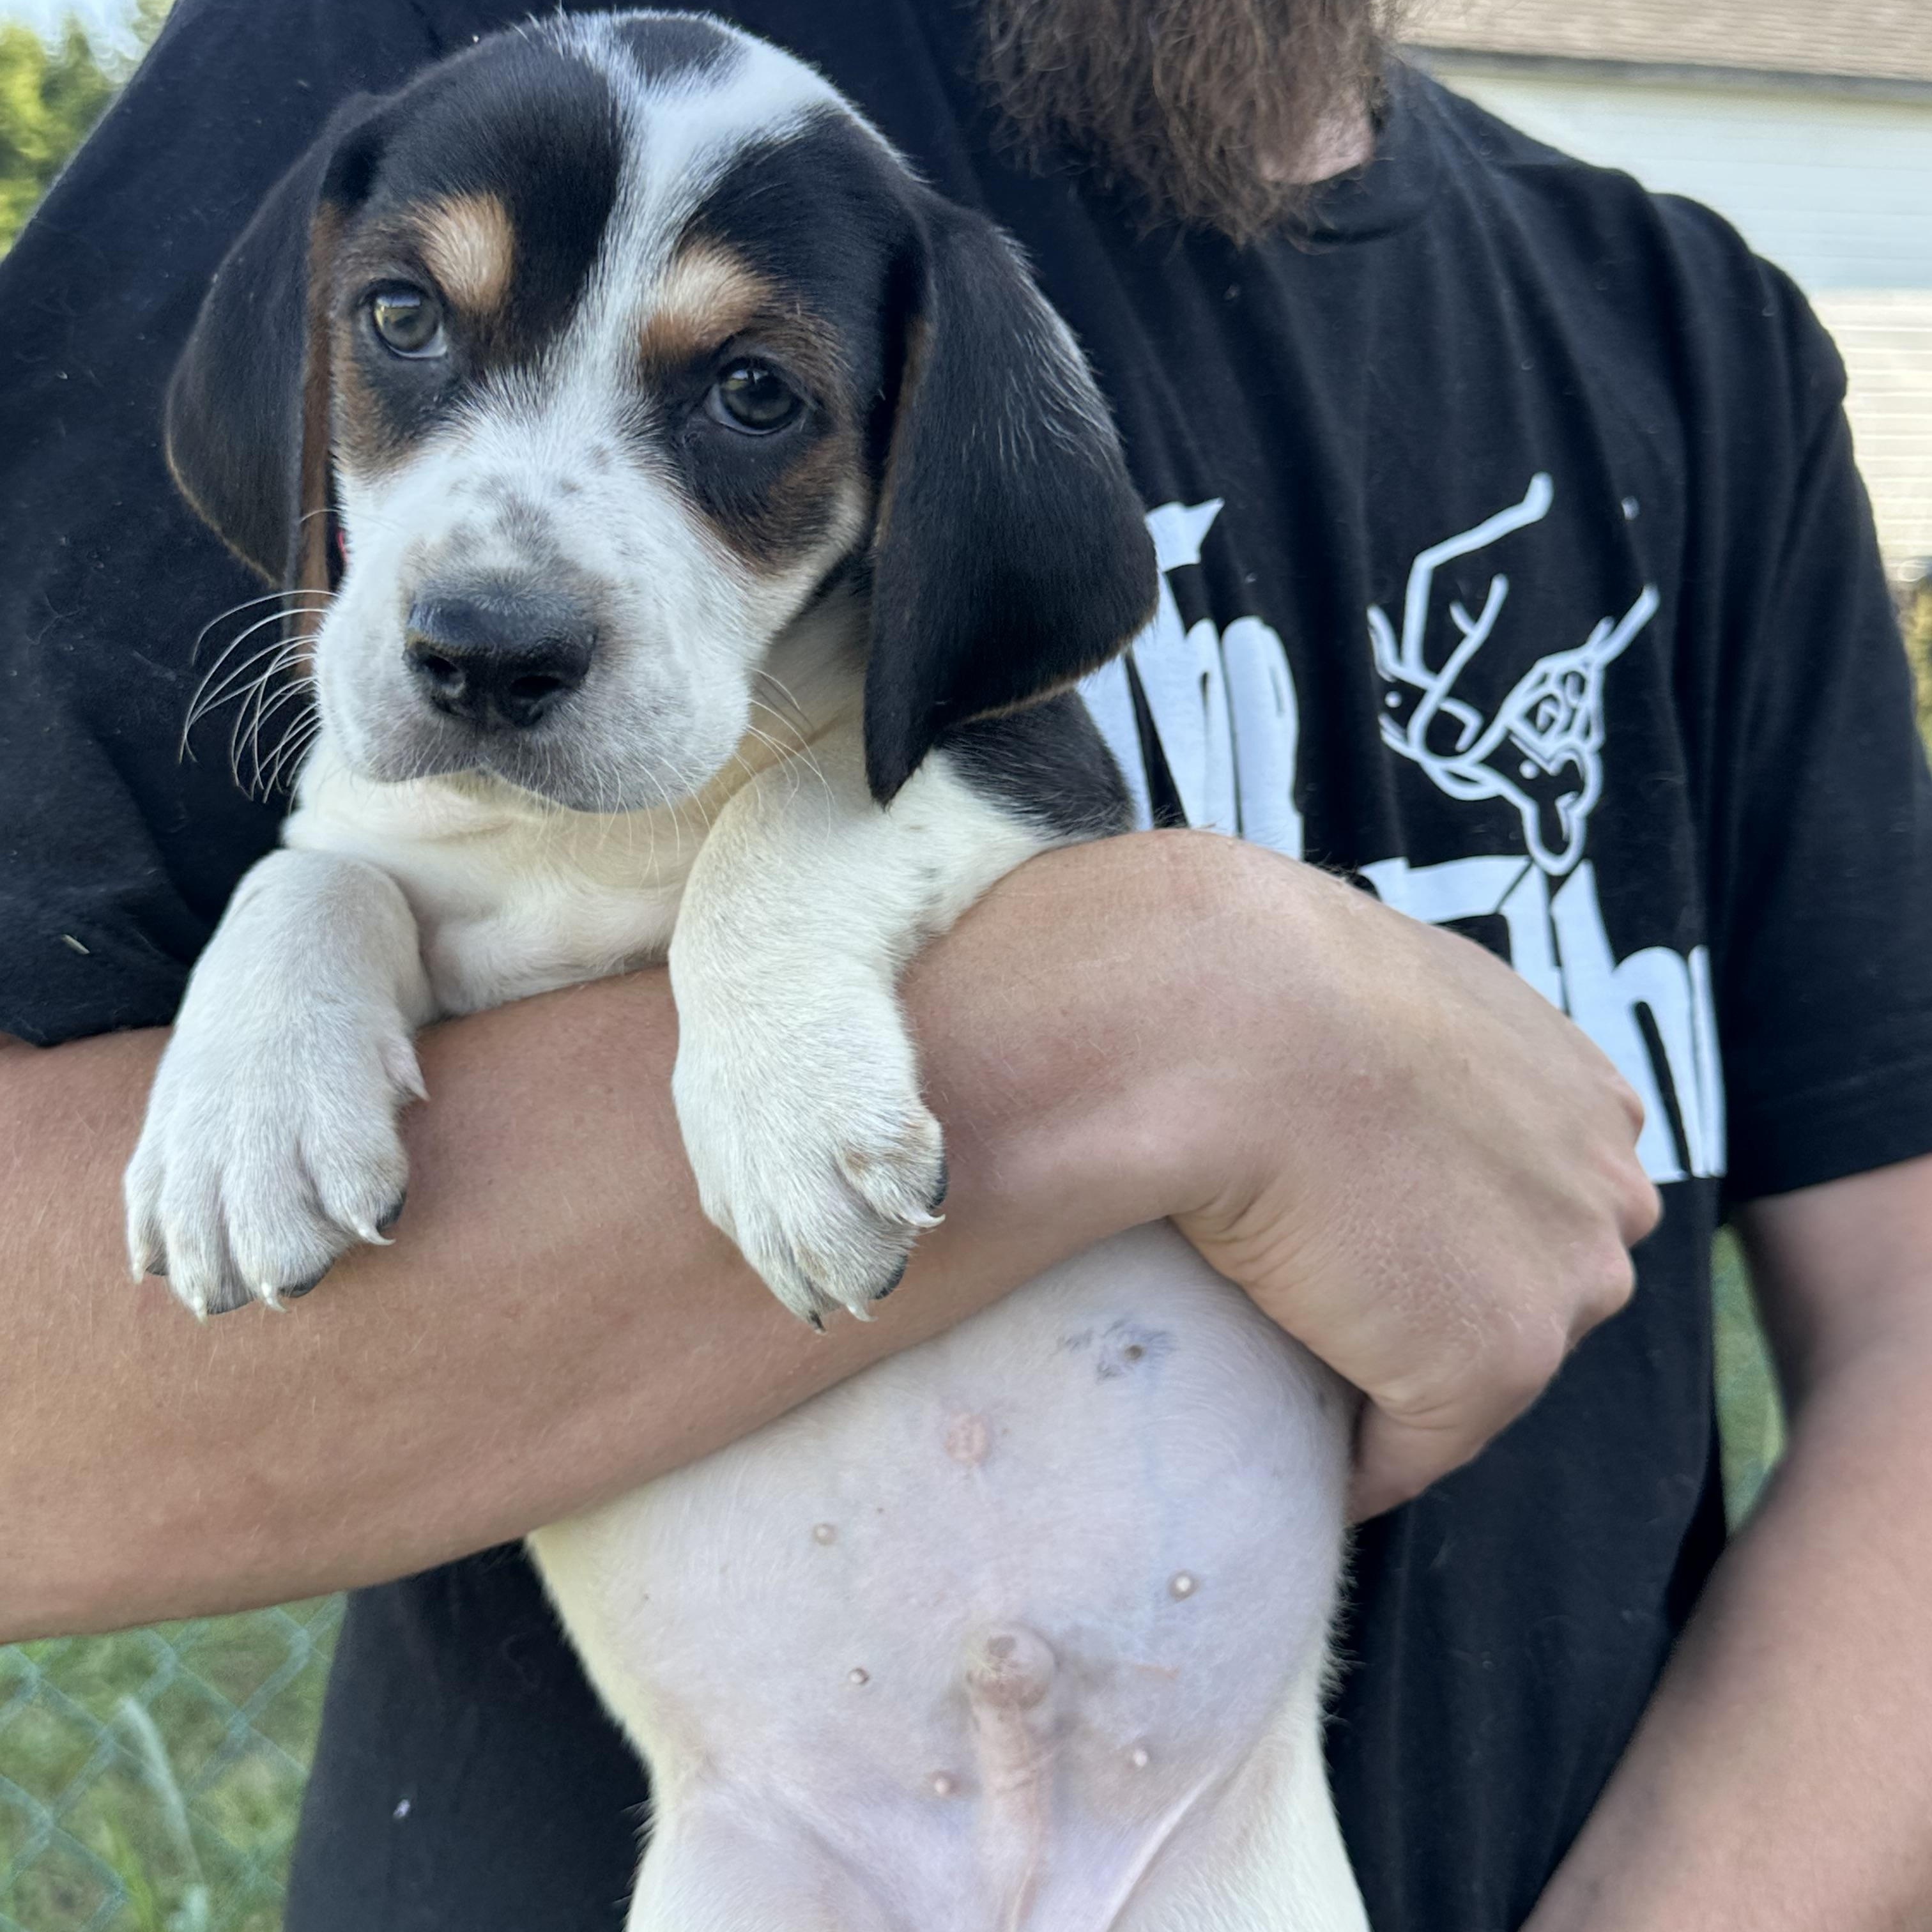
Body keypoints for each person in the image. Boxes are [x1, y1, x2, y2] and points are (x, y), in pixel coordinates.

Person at [0, 0, 1926, 1925]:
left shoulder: (1697, 341)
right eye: (410, 328)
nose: (505, 567)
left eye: (753, 398)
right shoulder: (446, 48)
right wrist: (1200, 1015)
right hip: (761, 1846)